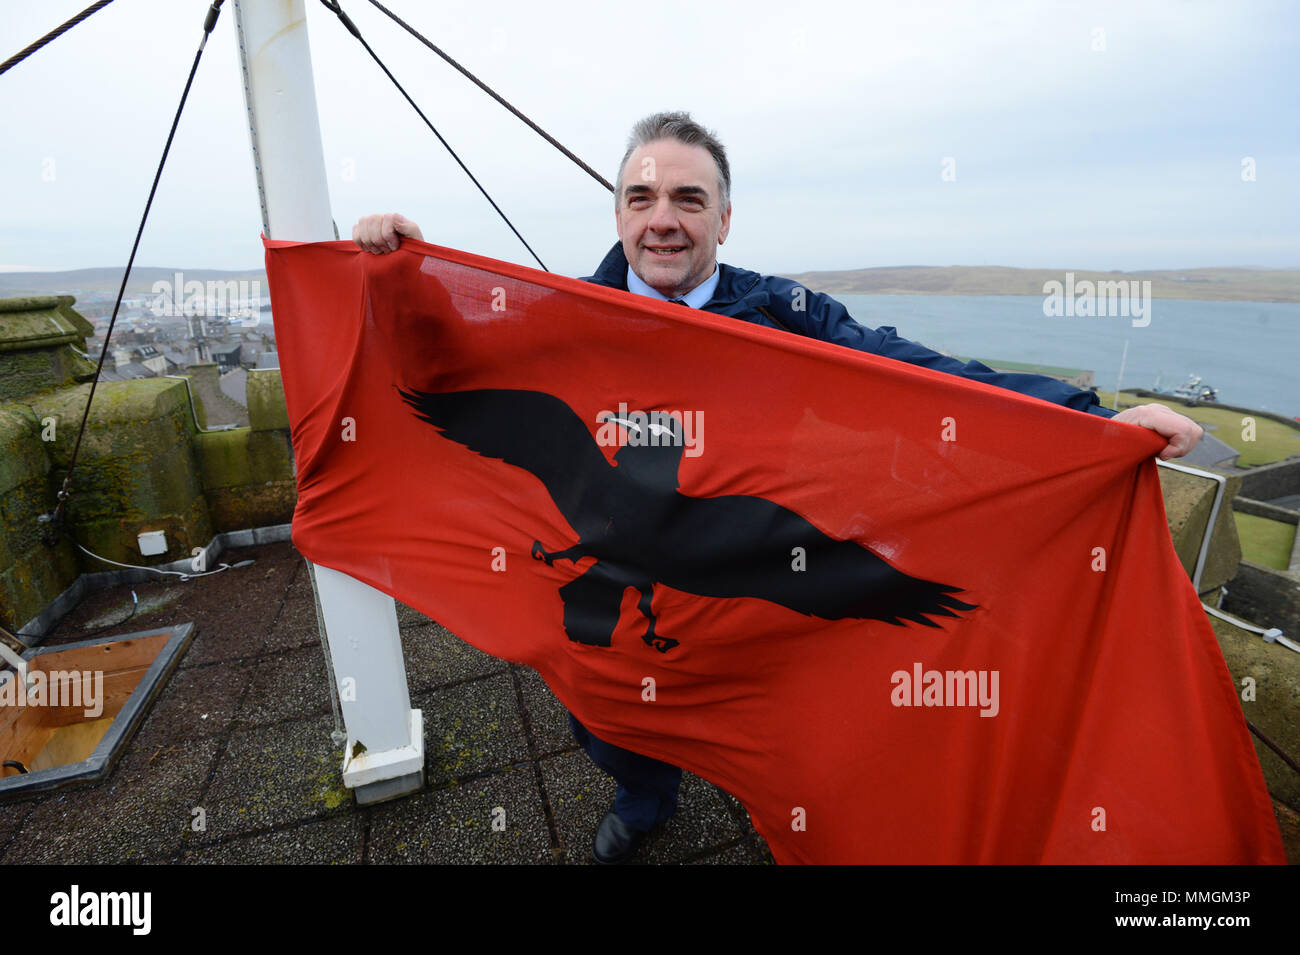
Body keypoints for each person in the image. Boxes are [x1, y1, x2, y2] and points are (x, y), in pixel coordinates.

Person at [351, 111, 1203, 864]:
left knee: (791, 747)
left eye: (690, 199)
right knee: (608, 725)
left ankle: (774, 805)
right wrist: (396, 278)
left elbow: (924, 381)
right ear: (617, 213)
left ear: (725, 217)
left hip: (753, 601)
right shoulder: (562, 321)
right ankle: (645, 797)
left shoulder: (787, 318)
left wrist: (1092, 419)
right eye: (642, 197)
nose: (664, 220)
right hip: (614, 597)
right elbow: (446, 369)